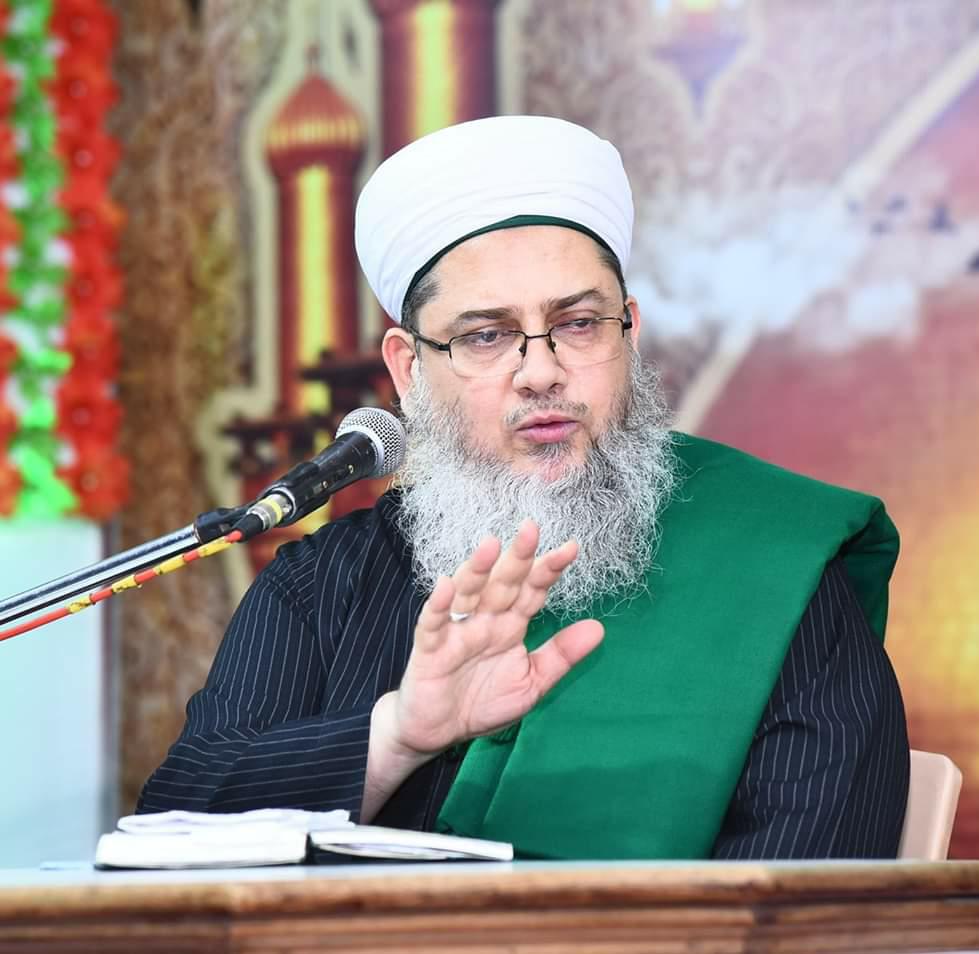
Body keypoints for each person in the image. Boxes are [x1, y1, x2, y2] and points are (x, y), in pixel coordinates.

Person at [138, 116, 909, 859]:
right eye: (485, 335)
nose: (540, 371)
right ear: (409, 368)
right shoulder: (322, 585)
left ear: (628, 331)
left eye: (577, 324)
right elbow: (174, 834)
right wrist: (396, 736)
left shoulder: (774, 566)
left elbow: (808, 900)